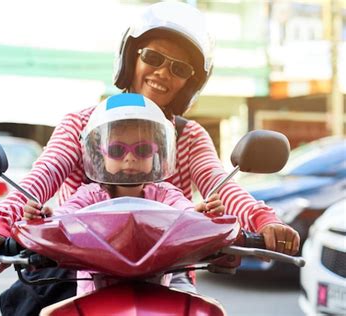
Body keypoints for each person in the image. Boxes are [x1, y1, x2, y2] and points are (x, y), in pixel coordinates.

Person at [0, 1, 300, 314]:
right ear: (131, 58)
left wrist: (261, 220)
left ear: (189, 82)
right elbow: (44, 176)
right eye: (153, 58)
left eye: (179, 68)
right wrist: (2, 222)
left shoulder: (189, 135)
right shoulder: (81, 124)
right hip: (77, 272)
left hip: (169, 275)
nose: (163, 74)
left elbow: (219, 186)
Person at [25, 93, 219, 296]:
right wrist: (45, 216)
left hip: (156, 294)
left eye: (142, 149)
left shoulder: (164, 194)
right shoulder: (90, 195)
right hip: (93, 298)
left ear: (156, 152)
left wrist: (202, 212)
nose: (129, 159)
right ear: (100, 153)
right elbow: (65, 214)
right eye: (117, 150)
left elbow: (186, 210)